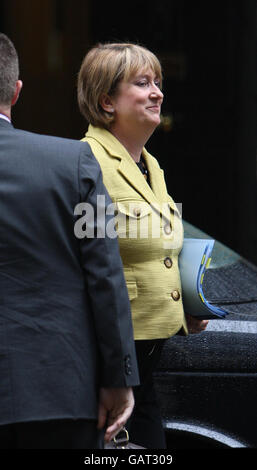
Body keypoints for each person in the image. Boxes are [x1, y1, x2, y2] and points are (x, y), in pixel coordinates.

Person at [0, 33, 139, 449]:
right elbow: (105, 274)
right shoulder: (74, 162)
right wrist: (119, 378)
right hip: (59, 390)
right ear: (17, 90)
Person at [77, 42, 209, 449]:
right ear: (106, 101)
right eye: (143, 83)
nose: (158, 92)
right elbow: (84, 265)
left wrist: (184, 306)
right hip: (109, 368)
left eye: (158, 82)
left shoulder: (151, 165)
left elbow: (155, 255)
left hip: (146, 363)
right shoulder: (86, 162)